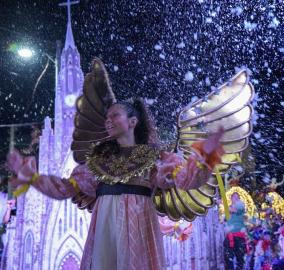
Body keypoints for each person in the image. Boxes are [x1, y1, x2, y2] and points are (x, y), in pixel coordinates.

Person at [7, 98, 225, 270]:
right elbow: (65, 188)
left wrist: (205, 155)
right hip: (104, 229)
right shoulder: (97, 162)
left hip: (138, 228)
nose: (108, 120)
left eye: (115, 115)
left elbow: (187, 179)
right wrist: (32, 178)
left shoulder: (154, 158)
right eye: (107, 117)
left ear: (132, 122)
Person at [224, 192, 247, 270]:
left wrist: (223, 203)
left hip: (239, 236)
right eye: (234, 197)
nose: (236, 198)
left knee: (240, 258)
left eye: (237, 197)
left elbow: (236, 210)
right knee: (228, 257)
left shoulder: (241, 206)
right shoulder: (228, 208)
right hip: (229, 236)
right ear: (231, 198)